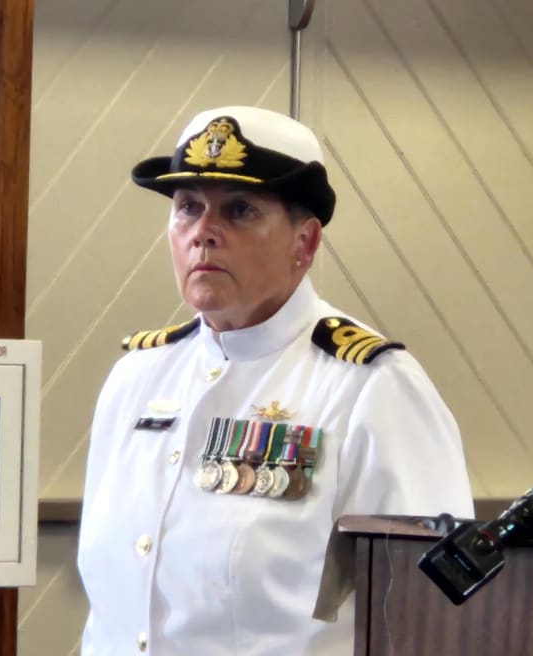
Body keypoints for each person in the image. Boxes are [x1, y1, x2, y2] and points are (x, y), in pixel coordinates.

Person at [77, 106, 473, 655]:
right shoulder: (137, 378)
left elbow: (431, 614)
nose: (203, 233)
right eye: (188, 207)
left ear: (303, 244)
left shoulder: (370, 388)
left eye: (239, 210)